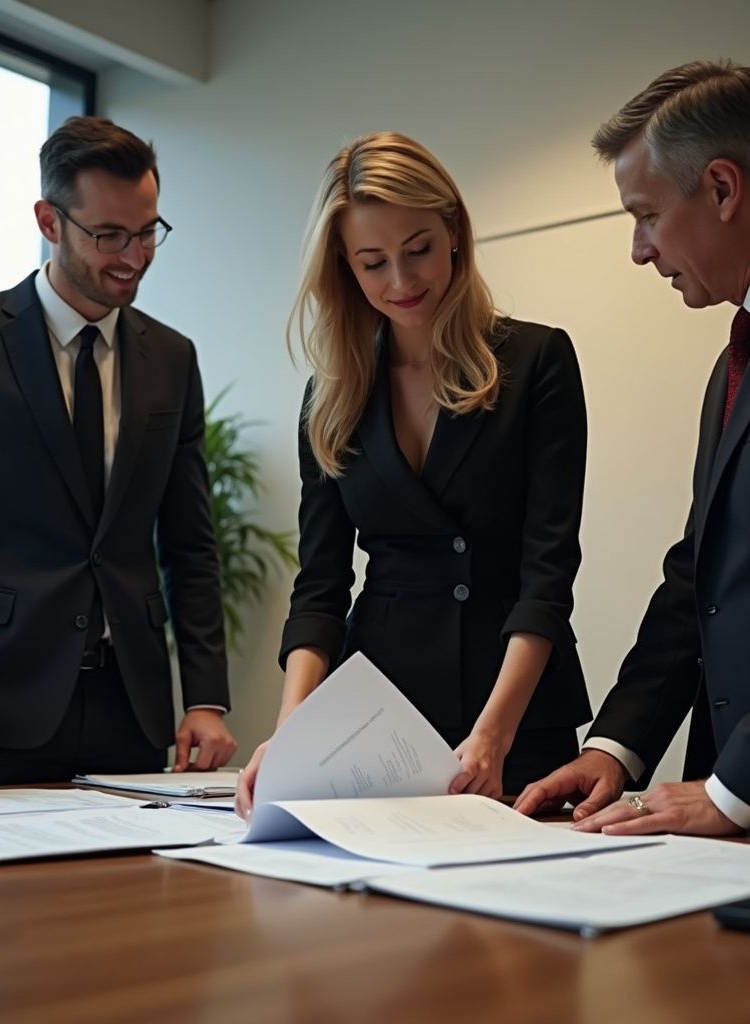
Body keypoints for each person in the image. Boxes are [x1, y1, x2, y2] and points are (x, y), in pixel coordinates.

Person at [514, 59, 750, 835]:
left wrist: (736, 790)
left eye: (646, 215)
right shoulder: (745, 352)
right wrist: (617, 749)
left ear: (722, 189)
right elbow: (700, 575)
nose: (637, 248)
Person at [236, 131, 589, 816]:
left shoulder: (538, 361)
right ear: (344, 266)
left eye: (419, 249)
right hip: (380, 716)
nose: (402, 282)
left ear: (453, 229)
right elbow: (320, 587)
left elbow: (547, 573)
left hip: (516, 715)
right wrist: (289, 735)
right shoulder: (331, 393)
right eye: (373, 263)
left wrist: (493, 735)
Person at [0, 116, 237, 792]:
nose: (134, 256)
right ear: (50, 221)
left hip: (132, 714)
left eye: (148, 231)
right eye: (109, 235)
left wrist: (205, 699)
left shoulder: (172, 358)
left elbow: (191, 546)